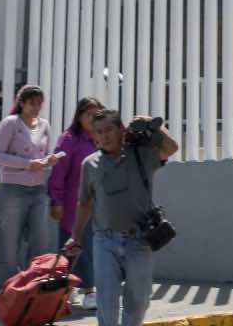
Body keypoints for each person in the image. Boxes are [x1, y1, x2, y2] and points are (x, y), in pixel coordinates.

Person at [63, 110, 178, 326]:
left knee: (139, 300)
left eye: (109, 130)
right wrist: (75, 236)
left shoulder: (140, 155)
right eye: (98, 132)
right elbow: (85, 203)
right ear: (93, 136)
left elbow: (172, 148)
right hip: (104, 240)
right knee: (107, 302)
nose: (104, 136)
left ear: (121, 130)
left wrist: (152, 125)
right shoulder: (90, 164)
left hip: (139, 240)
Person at [0, 84, 61, 289]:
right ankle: (7, 293)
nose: (36, 108)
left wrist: (49, 160)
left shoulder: (44, 125)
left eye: (39, 104)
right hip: (13, 190)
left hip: (38, 190)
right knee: (9, 248)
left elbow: (46, 151)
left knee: (40, 243)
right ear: (21, 103)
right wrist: (27, 164)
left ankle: (32, 291)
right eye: (32, 103)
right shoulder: (10, 123)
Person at [50, 97, 103, 311]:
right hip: (75, 203)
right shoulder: (69, 139)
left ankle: (66, 289)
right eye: (88, 113)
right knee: (80, 246)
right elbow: (58, 172)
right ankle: (89, 291)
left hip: (101, 203)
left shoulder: (103, 138)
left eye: (96, 114)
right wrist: (56, 201)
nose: (92, 118)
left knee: (78, 248)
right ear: (79, 116)